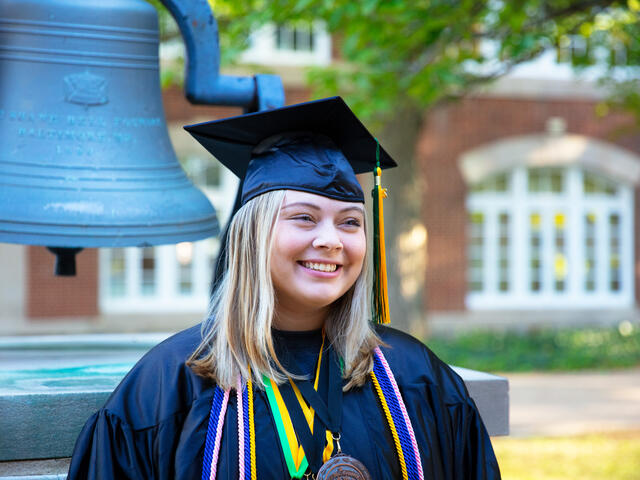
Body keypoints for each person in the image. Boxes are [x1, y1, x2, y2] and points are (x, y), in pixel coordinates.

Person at [68, 97, 501, 479]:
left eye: (350, 222)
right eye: (304, 218)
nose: (332, 240)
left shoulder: (414, 375)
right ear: (251, 237)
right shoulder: (170, 383)